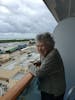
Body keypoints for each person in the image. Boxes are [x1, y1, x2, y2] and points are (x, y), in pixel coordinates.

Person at [29, 32, 66, 100]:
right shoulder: (46, 52)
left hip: (54, 92)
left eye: (42, 45)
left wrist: (30, 67)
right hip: (50, 89)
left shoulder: (52, 56)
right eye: (37, 46)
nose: (39, 48)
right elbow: (45, 61)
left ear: (49, 45)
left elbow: (39, 73)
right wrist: (39, 62)